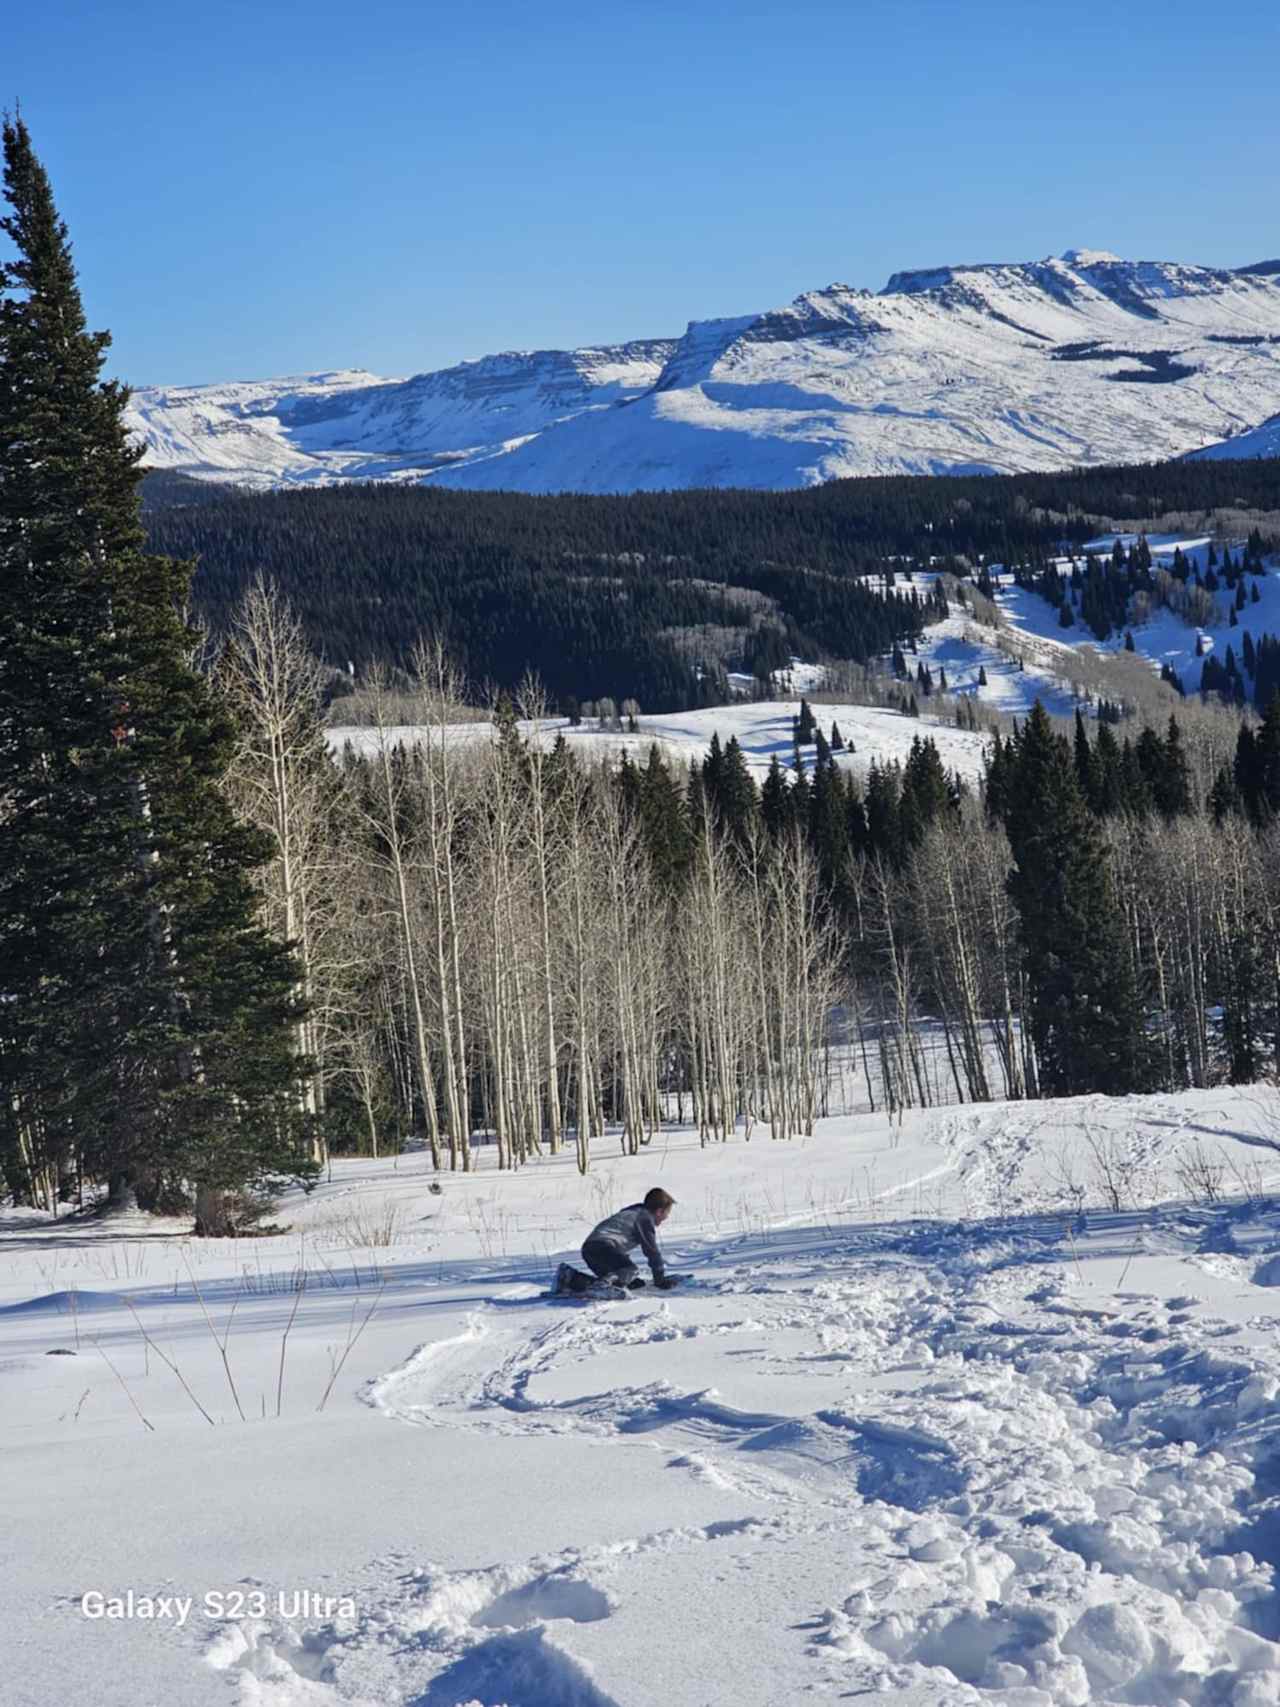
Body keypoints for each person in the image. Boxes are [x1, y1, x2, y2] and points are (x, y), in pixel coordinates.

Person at [581, 1188, 676, 1290]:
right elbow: (652, 1251)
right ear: (659, 1211)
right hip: (601, 1247)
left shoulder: (634, 1212)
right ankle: (602, 1287)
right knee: (630, 1270)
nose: (667, 1217)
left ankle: (575, 1280)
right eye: (667, 1213)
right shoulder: (644, 1218)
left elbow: (619, 1240)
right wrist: (660, 1279)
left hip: (590, 1249)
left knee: (625, 1279)